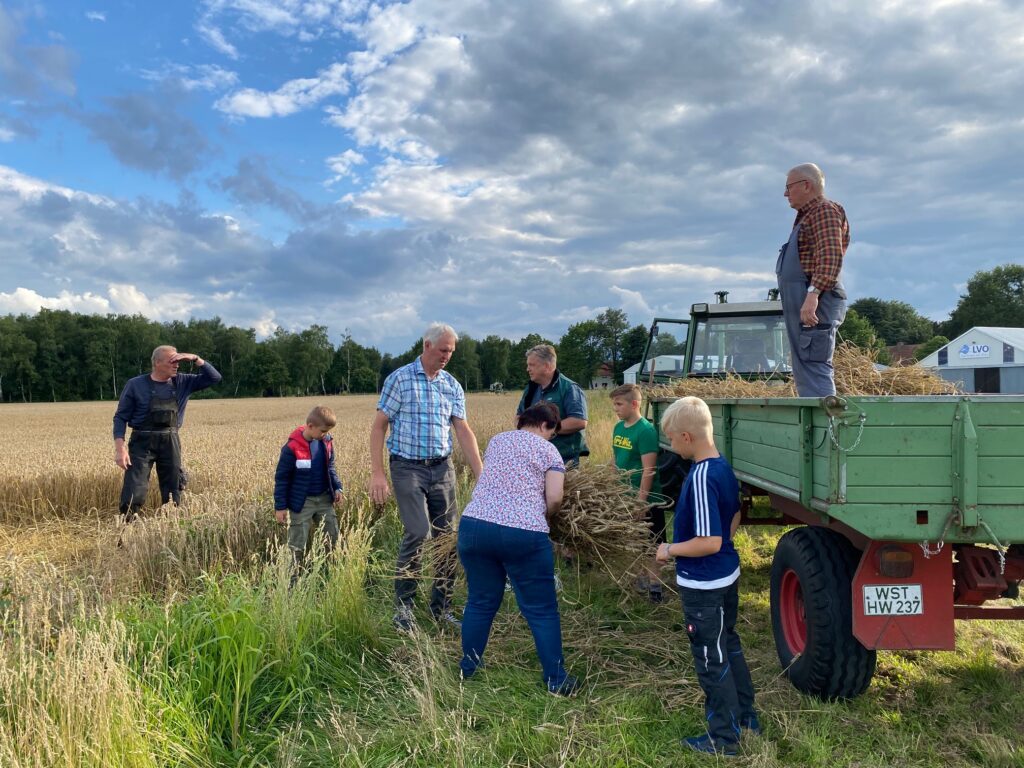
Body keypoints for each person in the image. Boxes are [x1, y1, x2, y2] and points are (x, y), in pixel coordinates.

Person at [655, 396, 758, 757]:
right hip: (726, 576)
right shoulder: (722, 467)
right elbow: (732, 521)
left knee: (711, 660)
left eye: (670, 438)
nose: (669, 445)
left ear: (687, 437)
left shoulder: (700, 477)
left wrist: (670, 550)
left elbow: (710, 541)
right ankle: (746, 717)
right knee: (728, 644)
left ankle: (724, 738)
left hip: (705, 585)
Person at [458, 401, 579, 695]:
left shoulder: (498, 441)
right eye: (553, 432)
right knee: (541, 609)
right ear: (547, 426)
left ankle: (468, 668)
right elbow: (554, 497)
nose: (552, 437)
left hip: (474, 527)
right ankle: (556, 679)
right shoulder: (549, 451)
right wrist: (547, 518)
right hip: (523, 533)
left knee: (480, 601)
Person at [369, 323, 484, 631]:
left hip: (442, 468)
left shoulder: (451, 385)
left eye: (451, 351)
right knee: (419, 532)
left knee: (448, 538)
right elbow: (379, 425)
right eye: (443, 350)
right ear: (427, 346)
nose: (448, 356)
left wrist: (481, 475)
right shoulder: (400, 379)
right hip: (407, 468)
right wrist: (377, 473)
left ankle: (441, 608)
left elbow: (462, 429)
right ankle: (403, 608)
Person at [113, 345, 222, 521]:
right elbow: (120, 417)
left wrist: (195, 358)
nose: (177, 365)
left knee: (173, 490)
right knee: (134, 489)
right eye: (173, 361)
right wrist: (120, 449)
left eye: (179, 361)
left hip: (170, 440)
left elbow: (215, 378)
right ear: (157, 363)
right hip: (142, 441)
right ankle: (126, 531)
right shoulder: (135, 385)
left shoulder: (183, 382)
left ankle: (170, 530)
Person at [777, 162, 850, 397]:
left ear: (806, 185)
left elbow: (830, 257)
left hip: (817, 301)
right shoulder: (806, 217)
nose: (786, 193)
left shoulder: (824, 211)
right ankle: (816, 425)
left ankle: (827, 428)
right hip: (804, 300)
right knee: (805, 366)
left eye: (789, 187)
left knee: (814, 364)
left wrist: (812, 295)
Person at [609, 383, 666, 603]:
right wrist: (611, 487)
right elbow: (615, 460)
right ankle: (642, 577)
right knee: (635, 540)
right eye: (614, 404)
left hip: (646, 499)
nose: (616, 408)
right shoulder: (618, 428)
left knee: (652, 542)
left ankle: (655, 585)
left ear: (634, 404)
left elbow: (649, 469)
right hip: (624, 497)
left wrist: (641, 501)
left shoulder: (645, 431)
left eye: (619, 404)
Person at [274, 405, 344, 573]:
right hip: (302, 503)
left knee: (333, 539)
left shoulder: (326, 442)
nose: (325, 434)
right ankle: (292, 581)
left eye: (327, 431)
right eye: (323, 431)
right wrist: (280, 507)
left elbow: (330, 468)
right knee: (296, 545)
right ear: (310, 426)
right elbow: (282, 479)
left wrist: (337, 487)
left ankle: (333, 575)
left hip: (325, 500)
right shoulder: (292, 448)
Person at [516, 344, 588, 465]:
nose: (527, 369)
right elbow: (518, 417)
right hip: (534, 458)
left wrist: (544, 430)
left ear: (547, 366)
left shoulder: (569, 388)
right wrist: (530, 433)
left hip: (563, 459)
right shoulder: (531, 389)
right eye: (528, 365)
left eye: (532, 365)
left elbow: (579, 421)